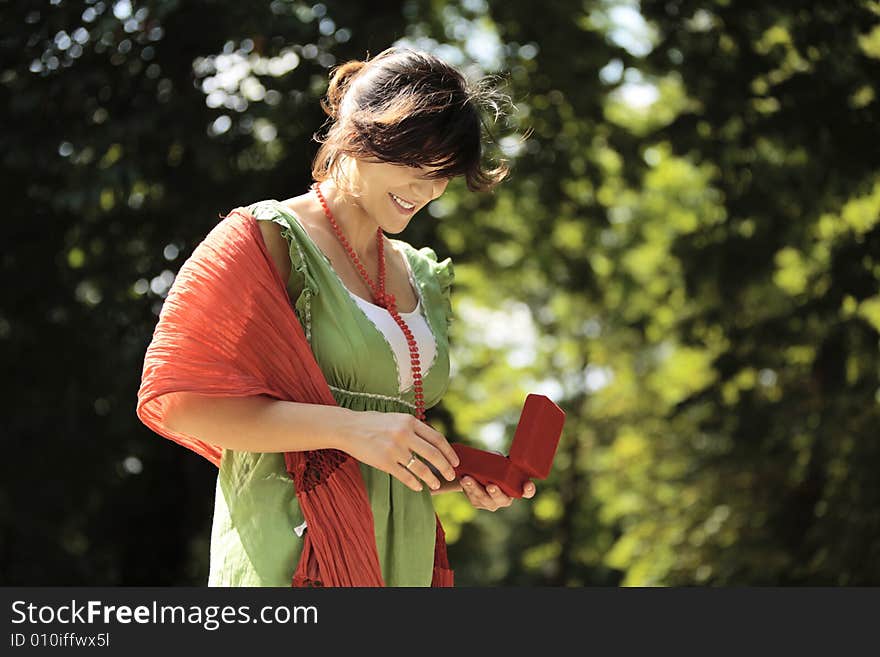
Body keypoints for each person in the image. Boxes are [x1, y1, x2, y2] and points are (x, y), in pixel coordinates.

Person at [159, 46, 535, 587]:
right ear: (360, 134)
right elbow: (182, 405)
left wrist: (451, 469)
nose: (427, 190)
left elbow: (381, 439)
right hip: (292, 552)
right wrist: (353, 429)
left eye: (443, 174)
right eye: (414, 165)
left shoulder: (420, 274)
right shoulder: (263, 239)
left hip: (399, 555)